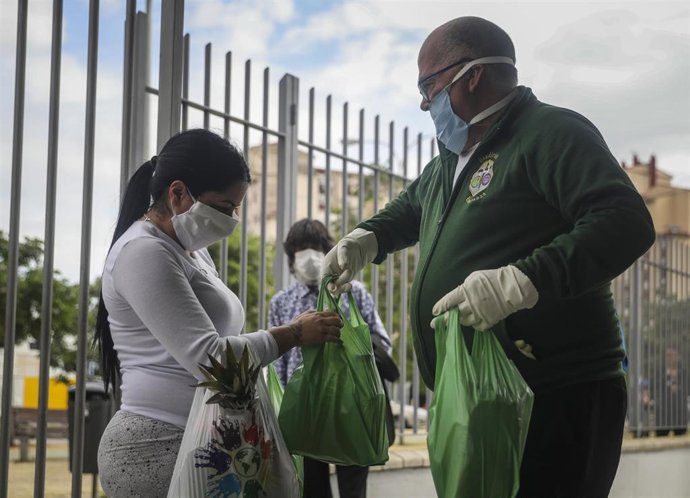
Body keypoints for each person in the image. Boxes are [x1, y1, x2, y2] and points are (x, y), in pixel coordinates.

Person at [323, 16, 656, 498]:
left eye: (427, 84)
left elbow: (625, 222)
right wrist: (366, 238)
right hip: (481, 392)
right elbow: (411, 208)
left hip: (558, 390)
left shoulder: (550, 132)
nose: (423, 101)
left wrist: (519, 282)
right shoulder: (451, 159)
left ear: (471, 74)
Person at [94, 129, 342, 498]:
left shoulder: (191, 250)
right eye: (225, 208)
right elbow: (211, 359)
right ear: (177, 193)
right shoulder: (143, 252)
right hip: (155, 446)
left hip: (206, 438)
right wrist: (292, 333)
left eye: (238, 207)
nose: (234, 218)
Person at [269, 218, 393, 498]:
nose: (308, 255)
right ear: (291, 256)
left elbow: (382, 342)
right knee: (311, 487)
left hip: (352, 405)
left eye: (314, 247)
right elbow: (277, 363)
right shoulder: (280, 301)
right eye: (300, 249)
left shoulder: (354, 293)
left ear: (327, 250)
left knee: (354, 486)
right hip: (307, 405)